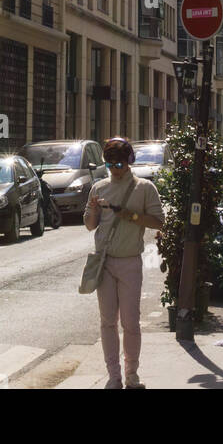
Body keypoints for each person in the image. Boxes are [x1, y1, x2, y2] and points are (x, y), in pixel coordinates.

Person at [83, 135, 164, 390]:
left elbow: (159, 221)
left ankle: (132, 375)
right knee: (107, 321)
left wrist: (130, 215)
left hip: (129, 262)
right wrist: (94, 209)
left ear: (129, 162)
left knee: (130, 322)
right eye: (110, 165)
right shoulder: (98, 188)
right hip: (105, 263)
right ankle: (113, 376)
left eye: (119, 164)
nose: (115, 170)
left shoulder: (144, 188)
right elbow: (89, 225)